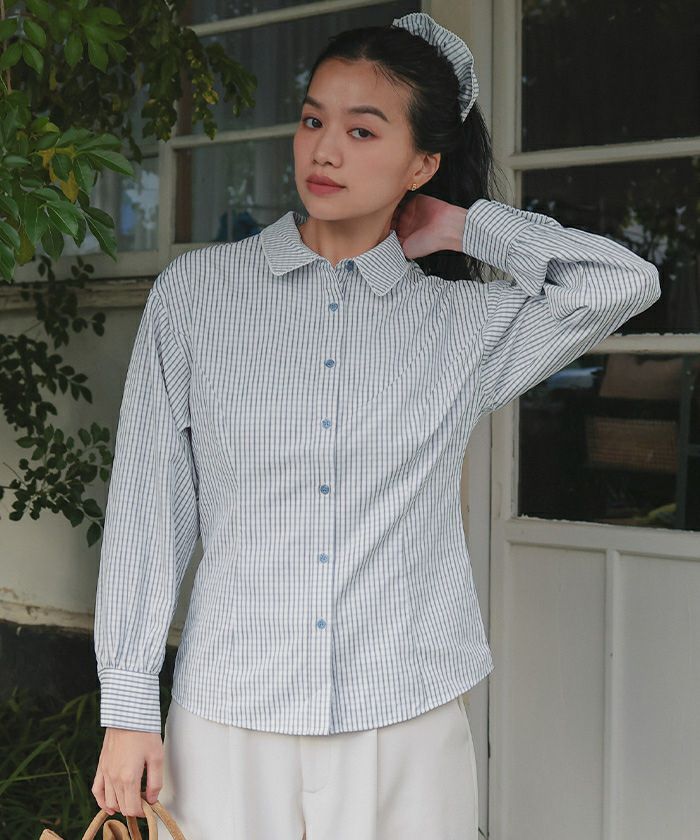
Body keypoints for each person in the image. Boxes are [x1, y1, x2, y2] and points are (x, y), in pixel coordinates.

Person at [90, 12, 661, 840]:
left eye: (362, 131)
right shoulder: (197, 295)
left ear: (422, 163)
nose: (324, 151)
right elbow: (149, 506)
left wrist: (464, 223)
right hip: (229, 713)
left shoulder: (461, 323)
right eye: (313, 120)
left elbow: (622, 282)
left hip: (404, 712)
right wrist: (129, 706)